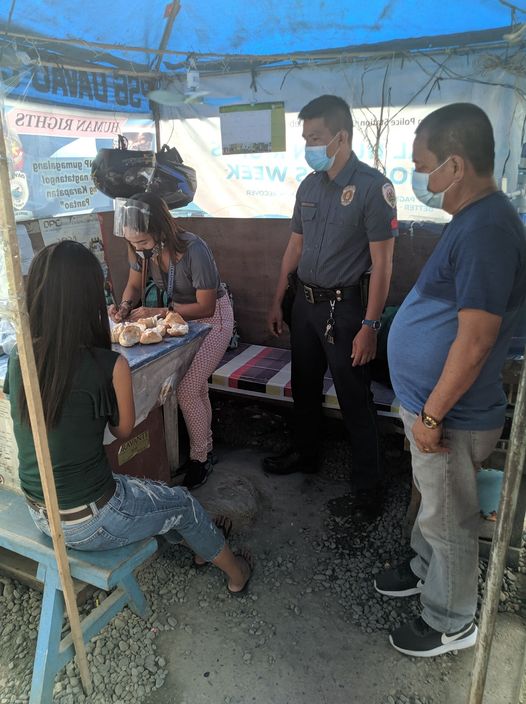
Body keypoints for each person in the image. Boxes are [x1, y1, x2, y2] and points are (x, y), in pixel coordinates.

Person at [3, 241, 251, 593]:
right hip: (89, 522)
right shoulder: (109, 364)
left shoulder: (20, 357)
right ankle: (237, 573)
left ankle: (201, 545)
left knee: (153, 494)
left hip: (39, 510)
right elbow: (122, 431)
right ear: (91, 299)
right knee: (183, 503)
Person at [376, 103, 526, 657]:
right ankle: (425, 570)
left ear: (455, 165)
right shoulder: (475, 220)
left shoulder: (488, 230)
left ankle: (451, 621)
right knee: (435, 503)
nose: (420, 178)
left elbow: (477, 338)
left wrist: (433, 413)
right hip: (434, 406)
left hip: (451, 414)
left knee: (450, 519)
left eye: (423, 166)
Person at [264, 94, 398, 522]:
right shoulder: (309, 186)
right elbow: (294, 246)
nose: (309, 146)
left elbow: (383, 264)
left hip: (346, 310)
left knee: (354, 396)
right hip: (304, 304)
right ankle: (306, 455)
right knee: (304, 386)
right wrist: (278, 299)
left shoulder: (374, 188)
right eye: (306, 138)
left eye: (316, 137)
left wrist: (370, 326)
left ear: (341, 137)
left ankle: (368, 487)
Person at [109, 192, 234, 490]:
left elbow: (206, 306)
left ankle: (199, 458)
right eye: (132, 243)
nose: (138, 249)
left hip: (213, 320)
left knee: (187, 389)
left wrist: (159, 312)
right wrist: (124, 306)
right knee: (197, 388)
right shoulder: (140, 250)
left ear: (160, 228)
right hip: (178, 319)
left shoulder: (194, 249)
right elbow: (133, 285)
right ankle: (205, 448)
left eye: (142, 242)